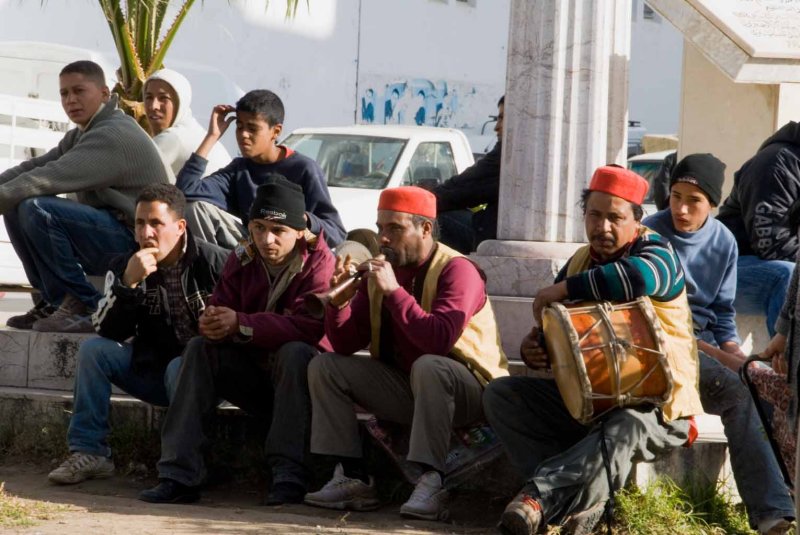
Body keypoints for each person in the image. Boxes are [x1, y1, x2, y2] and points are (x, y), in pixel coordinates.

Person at [484, 165, 703, 535]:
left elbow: (640, 278)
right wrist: (537, 346)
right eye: (594, 215)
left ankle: (537, 499)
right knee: (502, 395)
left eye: (615, 217)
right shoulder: (580, 262)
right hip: (592, 403)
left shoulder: (658, 253)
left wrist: (565, 289)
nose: (602, 227)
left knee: (627, 425)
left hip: (661, 409)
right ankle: (573, 502)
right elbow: (560, 331)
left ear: (636, 220)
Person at [303, 186, 508, 521]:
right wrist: (338, 306)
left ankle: (433, 481)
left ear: (425, 229)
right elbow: (343, 345)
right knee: (326, 366)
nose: (383, 238)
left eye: (395, 229)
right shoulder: (383, 272)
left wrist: (394, 293)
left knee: (430, 366)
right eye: (381, 228)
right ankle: (353, 477)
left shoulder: (458, 271)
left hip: (469, 391)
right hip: (410, 389)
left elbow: (438, 341)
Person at [139, 175, 335, 505]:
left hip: (302, 387)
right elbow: (222, 303)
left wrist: (241, 324)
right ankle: (179, 473)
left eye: (278, 231)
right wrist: (213, 321)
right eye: (258, 228)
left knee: (295, 352)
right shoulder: (242, 256)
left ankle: (289, 473)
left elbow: (307, 328)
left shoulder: (319, 263)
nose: (266, 239)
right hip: (255, 375)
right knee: (200, 348)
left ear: (300, 231)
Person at [644, 153, 794, 535]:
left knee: (764, 385)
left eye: (693, 201)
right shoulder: (650, 234)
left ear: (711, 204)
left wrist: (741, 357)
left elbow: (722, 316)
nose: (680, 208)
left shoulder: (724, 241)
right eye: (675, 196)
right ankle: (770, 512)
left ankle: (784, 499)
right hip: (663, 344)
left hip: (705, 347)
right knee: (738, 390)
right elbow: (650, 316)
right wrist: (718, 356)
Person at [47, 184, 227, 485]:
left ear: (180, 227)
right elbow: (106, 329)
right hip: (154, 371)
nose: (146, 233)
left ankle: (184, 462)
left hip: (208, 378)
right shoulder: (125, 265)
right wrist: (127, 285)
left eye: (156, 223)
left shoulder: (214, 262)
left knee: (178, 367)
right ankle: (91, 453)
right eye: (140, 223)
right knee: (94, 351)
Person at [3, 60, 173, 333]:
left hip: (137, 244)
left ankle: (84, 304)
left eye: (79, 91)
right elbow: (32, 167)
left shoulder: (112, 135)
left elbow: (46, 177)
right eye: (64, 93)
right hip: (111, 233)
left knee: (36, 207)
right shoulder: (82, 134)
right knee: (15, 205)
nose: (70, 100)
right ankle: (51, 301)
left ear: (105, 94)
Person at [175, 89, 346, 249]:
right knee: (194, 208)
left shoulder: (304, 168)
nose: (243, 135)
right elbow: (185, 191)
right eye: (240, 127)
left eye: (252, 128)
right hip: (250, 255)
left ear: (275, 131)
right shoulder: (239, 170)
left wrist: (300, 218)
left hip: (289, 258)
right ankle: (224, 277)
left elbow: (336, 233)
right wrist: (212, 136)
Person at [717, 122, 800, 336]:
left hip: (771, 263)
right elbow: (773, 246)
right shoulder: (777, 164)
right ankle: (787, 364)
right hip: (727, 269)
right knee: (790, 275)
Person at [433, 95, 503, 254]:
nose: (496, 127)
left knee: (431, 217)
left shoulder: (506, 155)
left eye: (502, 118)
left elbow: (463, 189)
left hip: (492, 237)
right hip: (495, 231)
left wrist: (422, 202)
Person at [143, 68, 231, 176]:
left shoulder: (173, 137)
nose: (153, 106)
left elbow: (129, 174)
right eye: (148, 97)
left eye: (163, 98)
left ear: (180, 102)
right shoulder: (194, 130)